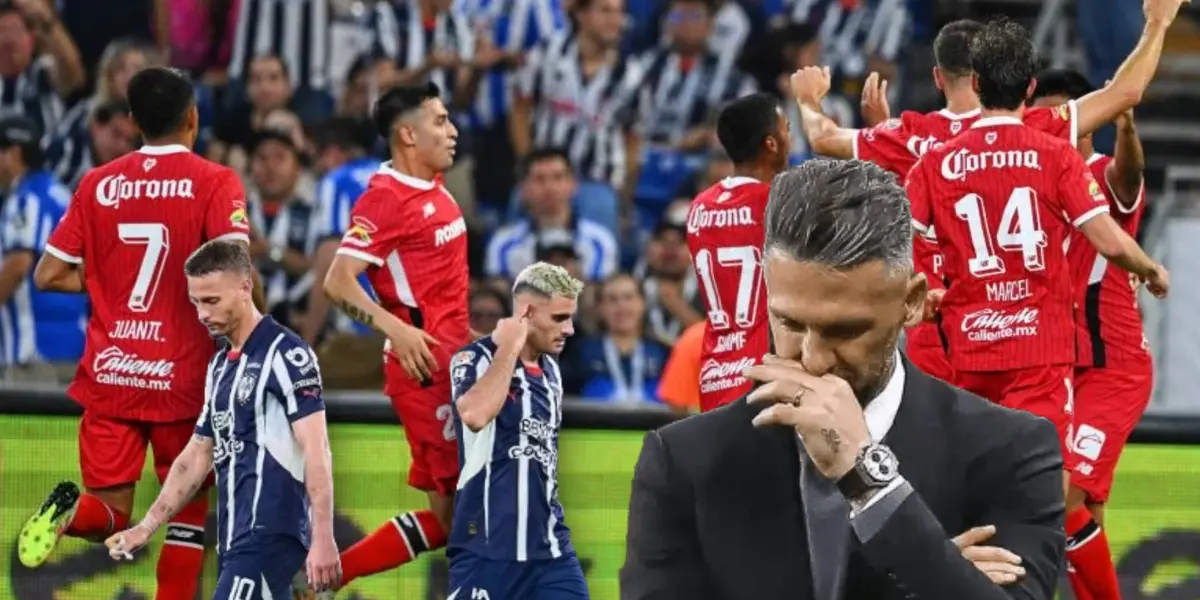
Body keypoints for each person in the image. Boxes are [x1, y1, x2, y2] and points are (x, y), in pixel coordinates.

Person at [620, 159, 1065, 599]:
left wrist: (870, 482)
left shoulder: (1011, 449)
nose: (812, 359)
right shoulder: (683, 462)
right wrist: (941, 574)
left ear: (911, 302)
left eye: (845, 330)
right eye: (790, 323)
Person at [905, 20, 1169, 600]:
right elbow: (1106, 233)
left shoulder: (936, 162)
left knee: (1044, 496)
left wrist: (921, 298)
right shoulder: (1052, 154)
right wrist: (1149, 268)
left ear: (975, 82)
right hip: (1047, 355)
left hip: (1085, 362)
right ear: (1028, 94)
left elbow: (909, 255)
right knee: (1044, 500)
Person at [22, 66, 255, 600]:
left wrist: (106, 278)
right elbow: (235, 275)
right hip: (184, 378)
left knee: (111, 513)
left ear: (132, 122)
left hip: (113, 374)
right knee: (186, 519)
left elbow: (49, 274)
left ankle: (68, 513)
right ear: (193, 117)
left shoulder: (97, 182)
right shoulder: (215, 181)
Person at [104, 240, 339, 599]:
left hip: (269, 536)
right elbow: (197, 455)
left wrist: (324, 535)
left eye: (211, 300)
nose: (202, 313)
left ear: (245, 288)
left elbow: (317, 446)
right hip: (235, 543)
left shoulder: (287, 353)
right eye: (196, 301)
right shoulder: (219, 367)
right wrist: (145, 528)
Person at [321, 82, 471, 588]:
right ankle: (326, 577)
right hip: (425, 371)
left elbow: (442, 291)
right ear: (408, 134)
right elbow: (337, 281)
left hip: (458, 361)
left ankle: (326, 577)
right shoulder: (384, 199)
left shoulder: (435, 186)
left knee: (471, 512)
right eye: (440, 121)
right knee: (458, 518)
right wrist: (397, 329)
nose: (451, 132)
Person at [1030, 68, 1152, 600]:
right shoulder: (1031, 185)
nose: (1054, 129)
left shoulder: (1101, 175)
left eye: (1068, 118)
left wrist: (1126, 126)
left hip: (1112, 367)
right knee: (1083, 511)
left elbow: (1129, 182)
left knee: (1057, 498)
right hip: (1060, 366)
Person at [448, 261, 589, 599]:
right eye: (558, 318)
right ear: (526, 313)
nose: (569, 329)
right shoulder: (474, 359)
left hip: (551, 551)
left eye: (570, 317)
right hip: (487, 548)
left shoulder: (552, 373)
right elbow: (474, 414)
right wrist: (510, 347)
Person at [686, 93, 790, 411]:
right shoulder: (778, 202)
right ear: (770, 144)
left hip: (717, 375)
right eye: (786, 129)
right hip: (766, 374)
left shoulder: (699, 206)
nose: (792, 137)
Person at [0, 115, 87, 383]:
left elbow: (18, 263)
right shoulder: (59, 193)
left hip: (33, 352)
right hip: (73, 344)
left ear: (14, 153)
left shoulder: (26, 200)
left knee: (20, 425)